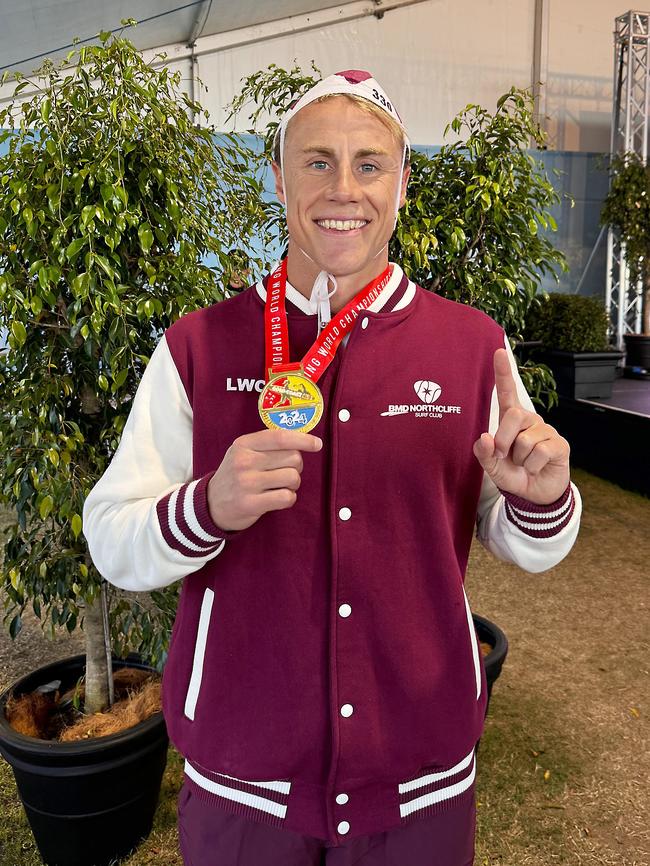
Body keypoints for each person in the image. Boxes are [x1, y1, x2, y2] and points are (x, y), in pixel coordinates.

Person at [83, 70, 581, 866]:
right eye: (316, 162)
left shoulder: (470, 347)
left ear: (402, 181)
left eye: (368, 164)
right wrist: (206, 507)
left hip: (419, 779)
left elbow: (524, 540)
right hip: (245, 785)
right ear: (277, 176)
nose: (342, 188)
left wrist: (542, 499)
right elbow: (111, 539)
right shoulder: (197, 347)